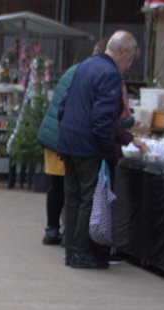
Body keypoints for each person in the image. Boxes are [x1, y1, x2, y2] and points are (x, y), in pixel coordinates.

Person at [57, 30, 143, 269]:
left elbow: (64, 105)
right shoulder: (110, 74)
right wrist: (108, 150)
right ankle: (82, 252)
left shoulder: (85, 66)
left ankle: (72, 250)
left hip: (70, 141)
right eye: (130, 59)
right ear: (122, 52)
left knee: (73, 198)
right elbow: (103, 119)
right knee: (89, 199)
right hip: (88, 146)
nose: (129, 65)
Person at [37, 40, 108, 246]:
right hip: (63, 137)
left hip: (54, 135)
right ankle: (70, 233)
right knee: (70, 188)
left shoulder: (77, 70)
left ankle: (52, 229)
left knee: (56, 185)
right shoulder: (91, 75)